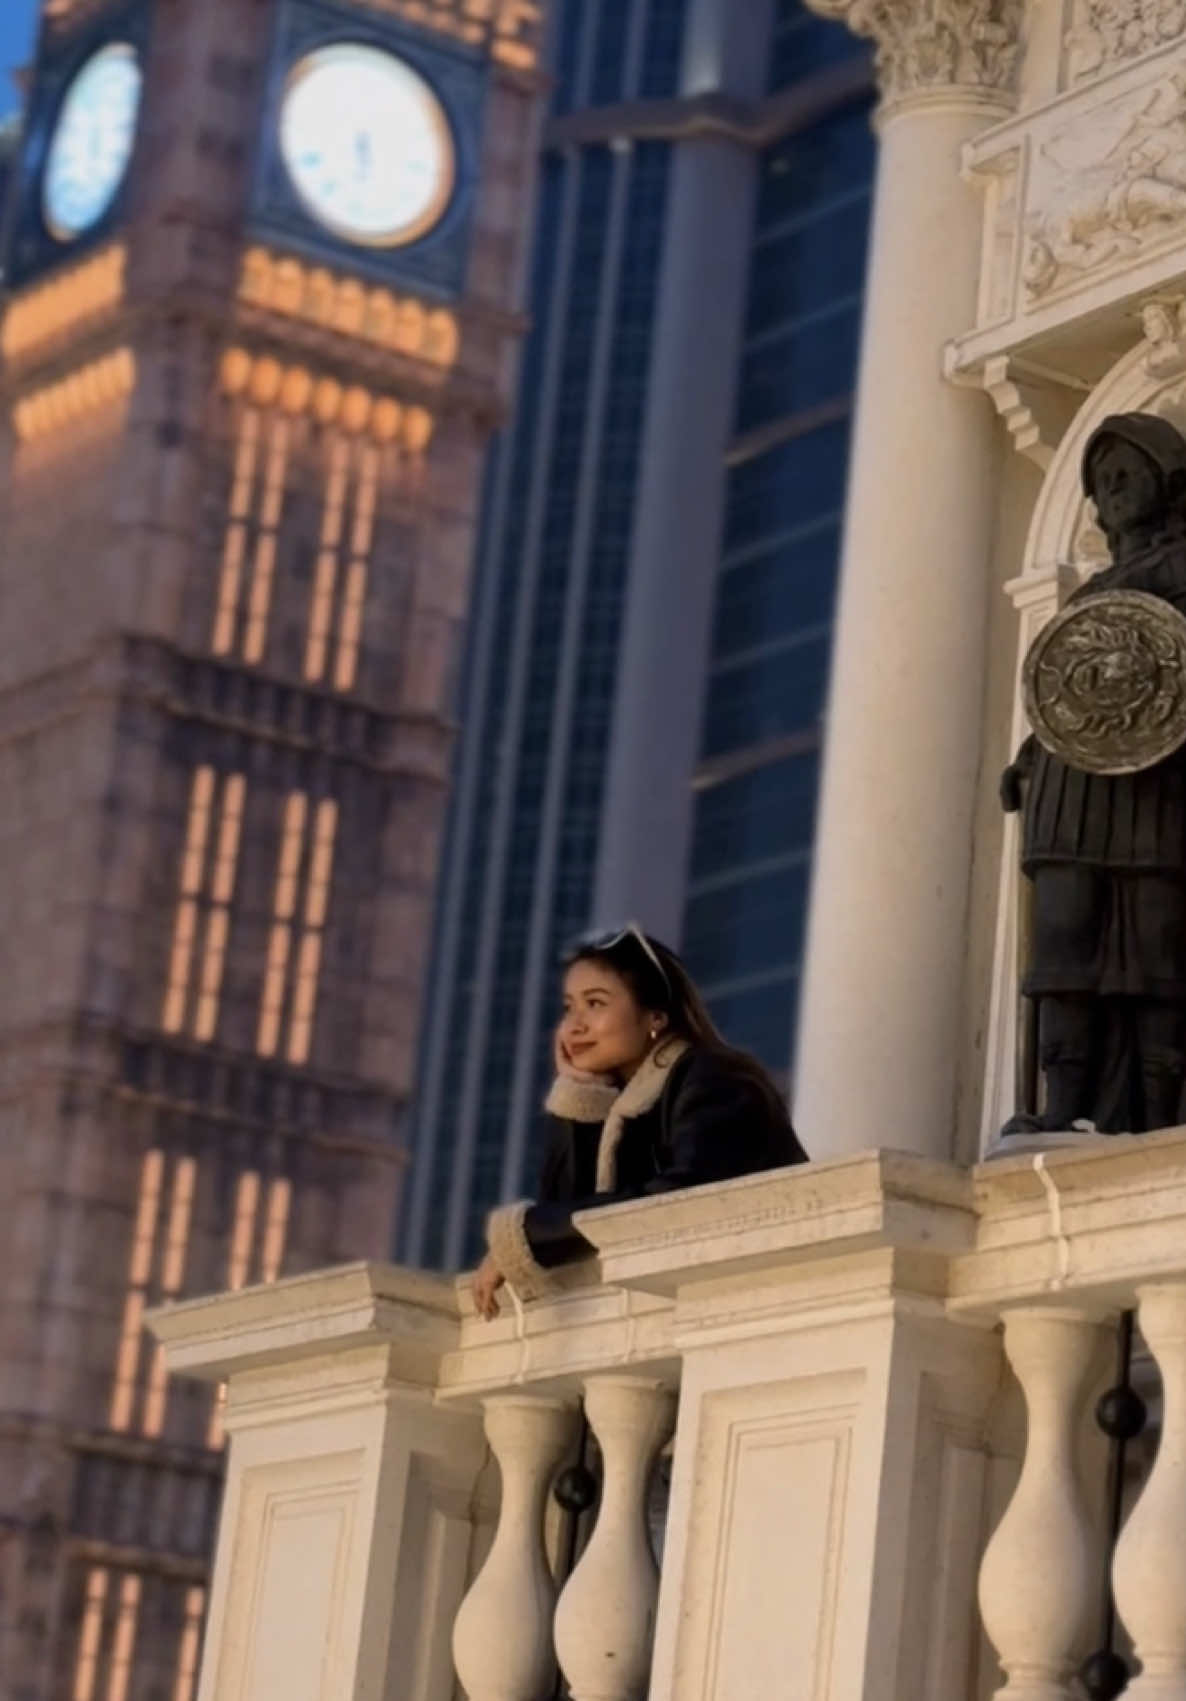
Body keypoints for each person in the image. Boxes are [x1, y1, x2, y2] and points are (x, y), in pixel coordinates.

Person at [1001, 412, 1186, 1134]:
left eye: (1125, 471)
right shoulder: (1088, 593)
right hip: (1069, 792)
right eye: (1101, 481)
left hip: (1159, 788)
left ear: (1166, 478)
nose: (1110, 488)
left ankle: (1165, 1114)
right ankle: (1064, 1105)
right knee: (1063, 944)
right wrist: (1026, 760)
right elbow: (1060, 696)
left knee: (1161, 943)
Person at [473, 924, 807, 1320]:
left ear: (655, 1017)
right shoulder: (620, 1100)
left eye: (595, 1004)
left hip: (764, 1305)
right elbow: (569, 1211)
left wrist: (525, 1236)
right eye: (569, 1007)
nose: (574, 1026)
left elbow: (679, 1198)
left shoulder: (717, 1081)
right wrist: (579, 1094)